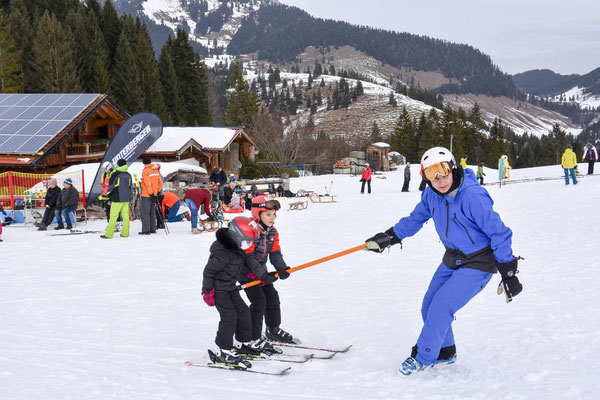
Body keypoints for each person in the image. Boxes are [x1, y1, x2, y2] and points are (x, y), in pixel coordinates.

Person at [365, 146, 522, 376]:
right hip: (453, 258)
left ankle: (424, 356)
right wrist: (390, 236)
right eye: (431, 174)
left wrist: (508, 272)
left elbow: (499, 233)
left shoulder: (472, 196)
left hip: (478, 262)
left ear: (453, 167)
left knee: (440, 308)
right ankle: (446, 350)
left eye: (443, 171)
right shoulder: (432, 195)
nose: (439, 179)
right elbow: (415, 219)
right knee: (428, 305)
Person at [202, 216, 263, 366]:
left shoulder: (236, 249)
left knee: (243, 311)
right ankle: (224, 350)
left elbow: (238, 266)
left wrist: (252, 274)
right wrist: (207, 291)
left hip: (230, 287)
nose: (249, 245)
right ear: (237, 236)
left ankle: (242, 343)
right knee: (229, 316)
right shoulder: (222, 253)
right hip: (218, 290)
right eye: (247, 241)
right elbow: (208, 272)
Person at [240, 195, 294, 348]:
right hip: (246, 273)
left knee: (272, 297)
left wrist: (281, 268)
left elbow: (275, 253)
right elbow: (248, 257)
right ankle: (252, 337)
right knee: (259, 302)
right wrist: (262, 275)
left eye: (274, 214)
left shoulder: (272, 232)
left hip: (261, 272)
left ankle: (272, 329)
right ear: (257, 214)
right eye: (268, 214)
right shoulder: (249, 230)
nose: (272, 218)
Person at [101, 159, 133, 239]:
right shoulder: (128, 174)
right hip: (126, 198)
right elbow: (130, 187)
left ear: (118, 165)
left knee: (113, 216)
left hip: (117, 198)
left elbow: (110, 186)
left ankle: (108, 234)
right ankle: (125, 233)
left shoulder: (115, 174)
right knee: (126, 216)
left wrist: (106, 195)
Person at [140, 156, 162, 235]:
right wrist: (158, 191)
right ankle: (153, 228)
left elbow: (147, 183)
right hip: (155, 193)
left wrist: (150, 193)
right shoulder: (155, 170)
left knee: (145, 212)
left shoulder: (146, 171)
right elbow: (160, 182)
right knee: (152, 212)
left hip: (147, 194)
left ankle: (146, 230)